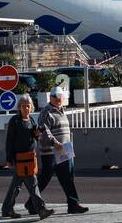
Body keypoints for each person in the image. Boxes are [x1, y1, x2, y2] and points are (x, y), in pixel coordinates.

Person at [37, 85, 88, 214]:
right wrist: (55, 143)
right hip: (50, 152)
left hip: (64, 151)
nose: (58, 99)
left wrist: (69, 150)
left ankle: (73, 204)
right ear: (50, 97)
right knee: (44, 179)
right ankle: (32, 203)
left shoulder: (62, 111)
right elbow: (44, 131)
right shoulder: (46, 112)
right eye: (55, 97)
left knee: (68, 178)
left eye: (60, 97)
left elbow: (66, 133)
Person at [2, 94, 53, 219]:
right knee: (33, 183)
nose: (26, 109)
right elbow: (9, 141)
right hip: (20, 159)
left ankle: (7, 209)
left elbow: (34, 137)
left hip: (30, 158)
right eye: (24, 106)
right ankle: (41, 209)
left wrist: (37, 134)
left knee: (16, 185)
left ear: (31, 107)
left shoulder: (31, 120)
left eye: (28, 106)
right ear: (19, 107)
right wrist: (9, 159)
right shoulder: (15, 121)